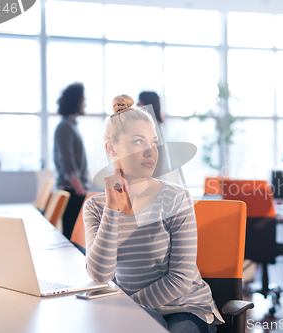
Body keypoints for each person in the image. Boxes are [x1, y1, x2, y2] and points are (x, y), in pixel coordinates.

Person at [83, 94, 221, 333]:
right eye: (138, 142)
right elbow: (100, 274)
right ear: (111, 148)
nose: (150, 151)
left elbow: (180, 279)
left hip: (184, 307)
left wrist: (128, 306)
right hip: (136, 310)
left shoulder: (175, 197)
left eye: (153, 142)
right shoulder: (96, 207)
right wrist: (112, 210)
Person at [54, 82, 89, 240]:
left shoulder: (70, 126)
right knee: (72, 240)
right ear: (76, 101)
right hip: (72, 191)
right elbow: (67, 162)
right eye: (83, 99)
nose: (85, 103)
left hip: (75, 191)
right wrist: (80, 190)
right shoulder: (65, 127)